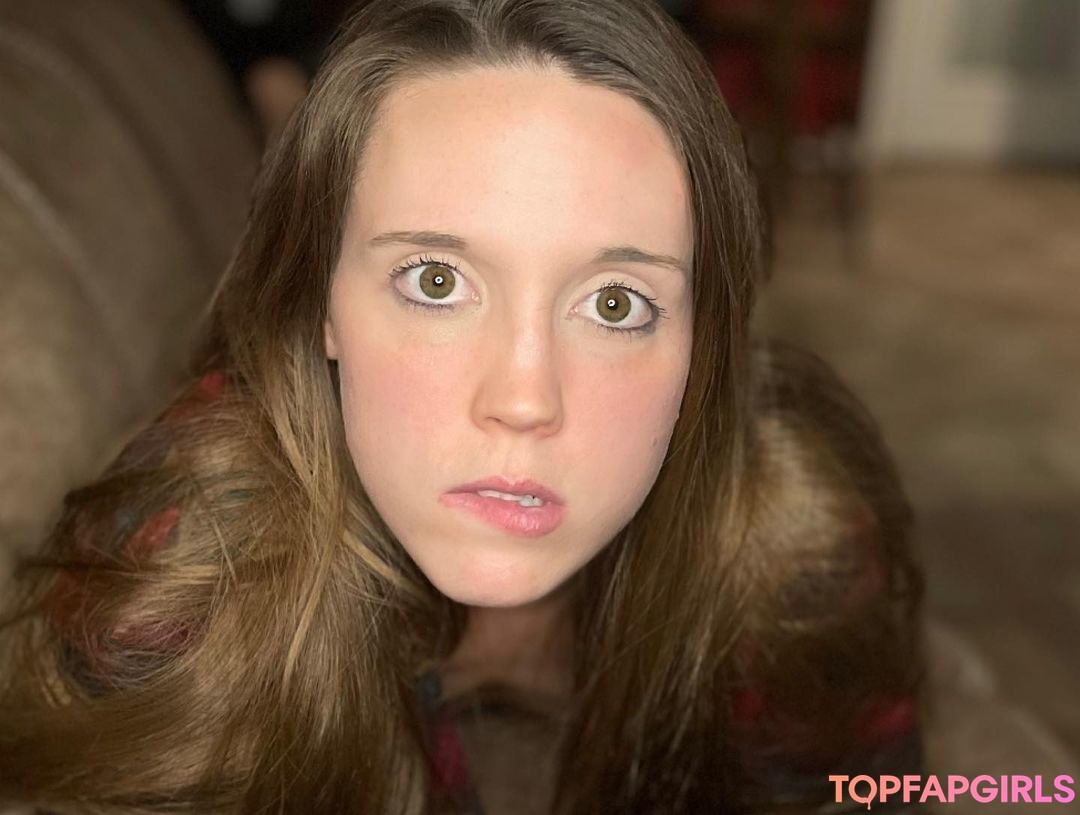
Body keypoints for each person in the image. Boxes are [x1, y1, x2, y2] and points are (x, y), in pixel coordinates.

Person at [0, 1, 922, 812]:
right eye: (435, 281)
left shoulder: (796, 553)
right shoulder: (178, 602)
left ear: (700, 346)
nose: (524, 398)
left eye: (615, 304)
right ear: (318, 301)